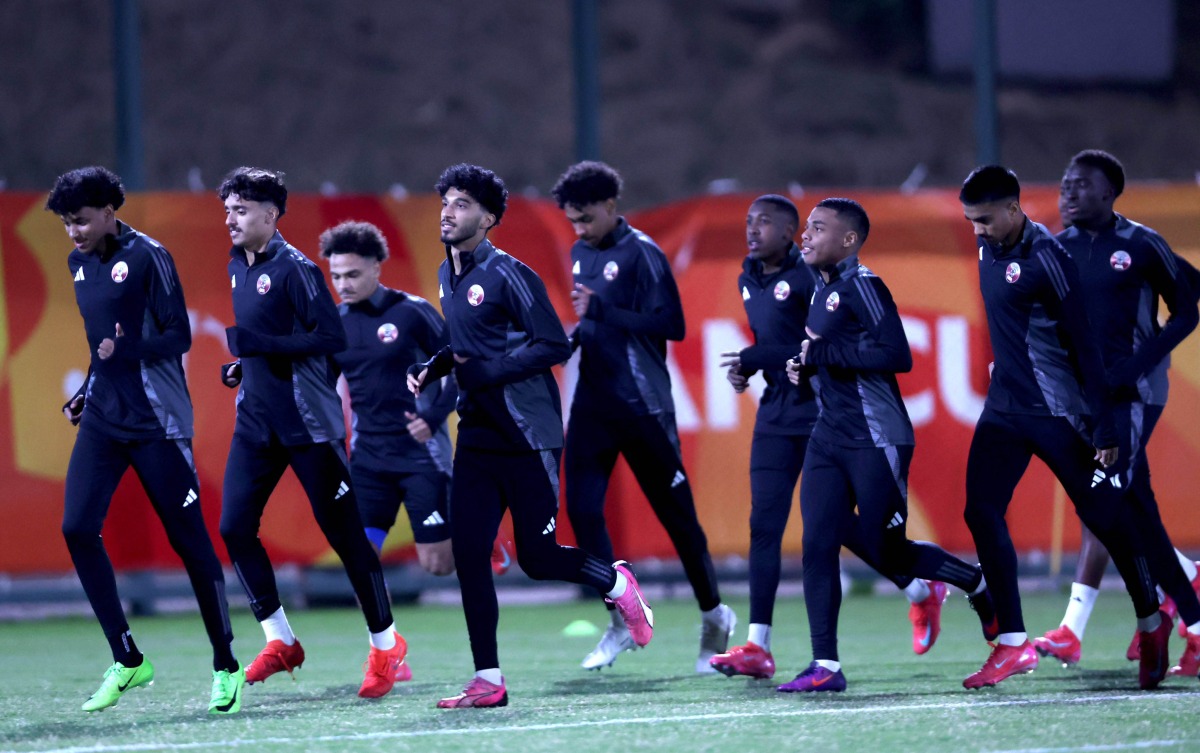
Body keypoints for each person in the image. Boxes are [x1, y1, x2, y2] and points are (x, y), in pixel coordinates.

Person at [407, 163, 655, 708]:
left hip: (528, 434)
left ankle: (617, 585)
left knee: (538, 559)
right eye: (446, 201)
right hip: (478, 435)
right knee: (469, 554)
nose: (449, 211)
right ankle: (488, 680)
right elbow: (472, 341)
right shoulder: (448, 274)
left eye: (464, 204)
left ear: (489, 219)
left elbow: (552, 346)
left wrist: (485, 372)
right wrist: (438, 364)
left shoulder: (510, 274)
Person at [710, 195, 949, 680]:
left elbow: (815, 348)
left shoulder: (816, 277)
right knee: (770, 527)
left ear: (791, 230)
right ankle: (762, 646)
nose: (753, 231)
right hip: (779, 415)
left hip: (826, 414)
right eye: (748, 222)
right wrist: (750, 373)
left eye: (766, 222)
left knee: (856, 533)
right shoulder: (748, 279)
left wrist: (759, 357)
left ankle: (927, 588)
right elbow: (794, 352)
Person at [958, 165, 1170, 690]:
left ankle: (1152, 621)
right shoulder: (989, 246)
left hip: (1059, 411)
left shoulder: (1048, 257)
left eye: (984, 220)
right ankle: (1012, 644)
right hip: (1005, 408)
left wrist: (1105, 427)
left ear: (1013, 209)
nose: (977, 231)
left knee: (1107, 519)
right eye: (969, 222)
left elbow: (1084, 342)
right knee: (980, 511)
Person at [775, 198, 992, 694]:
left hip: (876, 436)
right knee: (817, 543)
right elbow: (831, 356)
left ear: (848, 240)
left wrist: (823, 353)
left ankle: (975, 583)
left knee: (884, 547)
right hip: (829, 437)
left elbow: (896, 354)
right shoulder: (820, 290)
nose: (805, 235)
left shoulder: (864, 285)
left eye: (818, 228)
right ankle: (825, 665)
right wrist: (803, 365)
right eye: (806, 227)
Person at [49, 166, 244, 714]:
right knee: (77, 528)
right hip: (105, 422)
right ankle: (129, 658)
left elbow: (177, 335)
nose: (74, 232)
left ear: (110, 211)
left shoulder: (148, 256)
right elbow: (100, 343)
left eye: (81, 221)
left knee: (191, 546)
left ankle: (226, 665)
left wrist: (125, 351)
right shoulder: (78, 262)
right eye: (67, 223)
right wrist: (89, 387)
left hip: (158, 423)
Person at [215, 167, 406, 699]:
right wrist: (245, 365)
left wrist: (259, 344)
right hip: (256, 420)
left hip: (307, 423)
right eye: (227, 210)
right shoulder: (236, 263)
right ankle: (281, 642)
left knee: (345, 538)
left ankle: (387, 644)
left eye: (241, 210)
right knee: (234, 527)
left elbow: (330, 336)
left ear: (271, 214)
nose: (230, 219)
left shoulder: (296, 269)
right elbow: (266, 342)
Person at [551, 161, 735, 673]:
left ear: (611, 206)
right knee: (584, 513)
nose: (580, 230)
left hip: (642, 406)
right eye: (572, 221)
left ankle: (715, 615)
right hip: (592, 403)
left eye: (586, 219)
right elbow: (591, 320)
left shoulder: (644, 253)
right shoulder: (581, 251)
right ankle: (620, 617)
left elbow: (671, 325)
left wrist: (603, 311)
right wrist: (569, 341)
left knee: (678, 522)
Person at [1033, 150, 1200, 676]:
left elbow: (1188, 305)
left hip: (1137, 395)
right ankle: (1190, 602)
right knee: (1132, 509)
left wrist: (1139, 362)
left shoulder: (1141, 244)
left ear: (1109, 194)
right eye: (1065, 184)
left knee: (1106, 505)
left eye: (1082, 185)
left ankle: (1177, 619)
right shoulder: (1055, 251)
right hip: (1090, 403)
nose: (1069, 192)